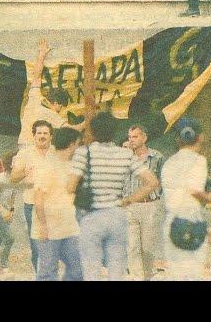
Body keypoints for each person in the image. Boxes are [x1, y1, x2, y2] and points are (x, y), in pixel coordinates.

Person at [67, 112, 160, 281]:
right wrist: (129, 199)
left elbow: (70, 186)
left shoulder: (83, 153)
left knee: (91, 264)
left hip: (91, 215)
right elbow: (152, 182)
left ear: (92, 132)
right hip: (117, 214)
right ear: (115, 131)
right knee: (117, 265)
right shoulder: (125, 154)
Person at [160, 118, 211, 280]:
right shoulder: (199, 160)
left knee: (176, 275)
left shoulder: (169, 162)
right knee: (193, 274)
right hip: (191, 220)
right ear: (200, 137)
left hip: (172, 220)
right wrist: (210, 196)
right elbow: (195, 190)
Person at [32, 127, 83, 281]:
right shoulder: (48, 165)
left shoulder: (73, 166)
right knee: (48, 271)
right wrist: (43, 226)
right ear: (72, 144)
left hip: (70, 227)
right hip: (49, 229)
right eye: (78, 144)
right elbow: (38, 198)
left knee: (77, 268)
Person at [11, 120, 57, 273]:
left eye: (45, 133)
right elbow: (13, 178)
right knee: (36, 242)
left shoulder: (57, 152)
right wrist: (25, 172)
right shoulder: (25, 153)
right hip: (31, 204)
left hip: (53, 205)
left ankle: (50, 273)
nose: (42, 136)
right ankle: (40, 274)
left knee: (53, 241)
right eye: (39, 133)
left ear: (51, 136)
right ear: (33, 135)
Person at [17, 39, 82, 148]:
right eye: (60, 107)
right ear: (56, 103)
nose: (60, 110)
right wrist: (88, 122)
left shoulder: (35, 97)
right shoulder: (51, 115)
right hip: (34, 149)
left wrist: (42, 54)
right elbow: (71, 129)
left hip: (21, 144)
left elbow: (37, 75)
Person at [124, 125, 165, 281]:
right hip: (130, 206)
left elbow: (162, 179)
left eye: (135, 137)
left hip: (149, 205)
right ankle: (136, 277)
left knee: (147, 247)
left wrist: (157, 196)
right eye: (129, 137)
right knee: (132, 247)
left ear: (144, 138)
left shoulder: (156, 157)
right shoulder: (126, 157)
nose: (131, 140)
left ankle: (147, 277)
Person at [0, 152, 17, 279]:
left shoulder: (15, 179)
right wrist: (2, 211)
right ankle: (3, 265)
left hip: (5, 213)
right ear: (10, 163)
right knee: (9, 238)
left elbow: (12, 196)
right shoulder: (1, 179)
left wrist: (11, 211)